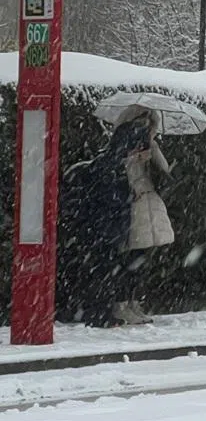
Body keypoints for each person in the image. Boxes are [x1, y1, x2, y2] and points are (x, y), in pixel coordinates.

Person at [57, 116, 151, 328]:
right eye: (137, 148)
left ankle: (100, 312)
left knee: (104, 271)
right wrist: (128, 194)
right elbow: (109, 198)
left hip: (103, 228)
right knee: (102, 271)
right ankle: (99, 314)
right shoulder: (111, 165)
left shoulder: (111, 162)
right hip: (103, 229)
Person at [116, 114, 175, 325]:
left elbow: (165, 170)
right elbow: (119, 172)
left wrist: (152, 150)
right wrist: (133, 158)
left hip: (149, 204)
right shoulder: (121, 145)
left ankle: (133, 302)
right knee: (129, 258)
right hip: (134, 205)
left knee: (140, 258)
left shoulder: (151, 145)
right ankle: (122, 303)